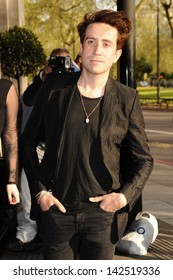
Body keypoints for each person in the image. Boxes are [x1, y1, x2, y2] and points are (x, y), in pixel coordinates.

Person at [20, 9, 153, 260]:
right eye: (91, 42)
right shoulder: (54, 89)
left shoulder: (127, 99)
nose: (97, 50)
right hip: (56, 211)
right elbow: (27, 141)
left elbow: (144, 159)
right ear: (82, 47)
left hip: (103, 216)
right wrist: (40, 192)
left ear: (116, 54)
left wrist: (123, 197)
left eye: (106, 44)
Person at [5, 48, 71, 252]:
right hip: (38, 148)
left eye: (63, 62)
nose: (58, 66)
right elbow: (28, 101)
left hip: (65, 149)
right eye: (54, 62)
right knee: (27, 185)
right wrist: (45, 79)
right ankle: (26, 233)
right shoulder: (38, 86)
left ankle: (63, 233)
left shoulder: (74, 82)